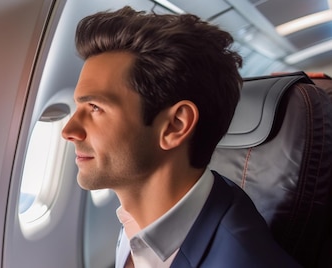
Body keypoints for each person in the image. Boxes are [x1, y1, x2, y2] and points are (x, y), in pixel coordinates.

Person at [61, 6, 300, 268]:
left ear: (175, 125)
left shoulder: (242, 259)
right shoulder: (143, 218)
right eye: (78, 108)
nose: (68, 131)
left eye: (95, 108)